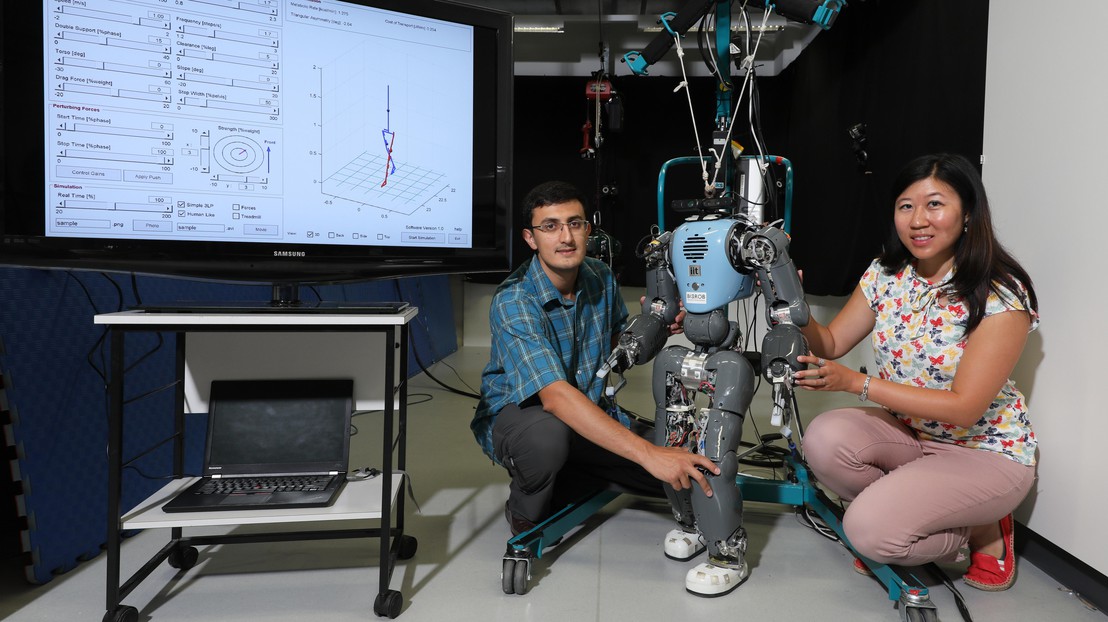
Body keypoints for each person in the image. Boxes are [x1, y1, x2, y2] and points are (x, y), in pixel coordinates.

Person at [794, 153, 1039, 591]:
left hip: (983, 452)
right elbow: (830, 342)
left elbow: (964, 410)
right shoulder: (887, 274)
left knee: (866, 533)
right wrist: (794, 306)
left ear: (967, 214)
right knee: (823, 438)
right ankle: (909, 510)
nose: (918, 220)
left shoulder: (1000, 292)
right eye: (906, 205)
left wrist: (857, 383)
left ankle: (979, 527)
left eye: (935, 204)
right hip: (914, 436)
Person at [470, 180, 719, 539]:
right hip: (524, 416)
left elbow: (617, 348)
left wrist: (656, 328)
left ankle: (573, 471)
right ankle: (524, 511)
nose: (566, 237)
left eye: (575, 223)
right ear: (530, 238)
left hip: (586, 407)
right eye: (550, 226)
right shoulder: (514, 300)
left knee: (681, 470)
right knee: (548, 441)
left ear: (588, 229)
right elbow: (554, 397)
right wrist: (647, 453)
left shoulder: (600, 276)